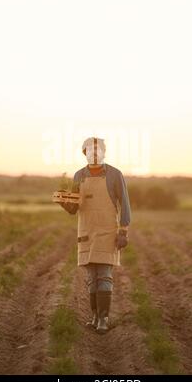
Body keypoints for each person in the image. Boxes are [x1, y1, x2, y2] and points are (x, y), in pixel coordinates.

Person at [59, 137, 131, 334]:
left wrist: (123, 231)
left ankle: (103, 319)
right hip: (87, 231)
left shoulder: (115, 175)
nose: (94, 153)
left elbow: (125, 204)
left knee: (105, 276)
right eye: (90, 150)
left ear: (104, 152)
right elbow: (74, 209)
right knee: (92, 277)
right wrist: (63, 201)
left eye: (98, 150)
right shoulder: (78, 176)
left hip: (108, 231)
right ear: (85, 153)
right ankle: (94, 316)